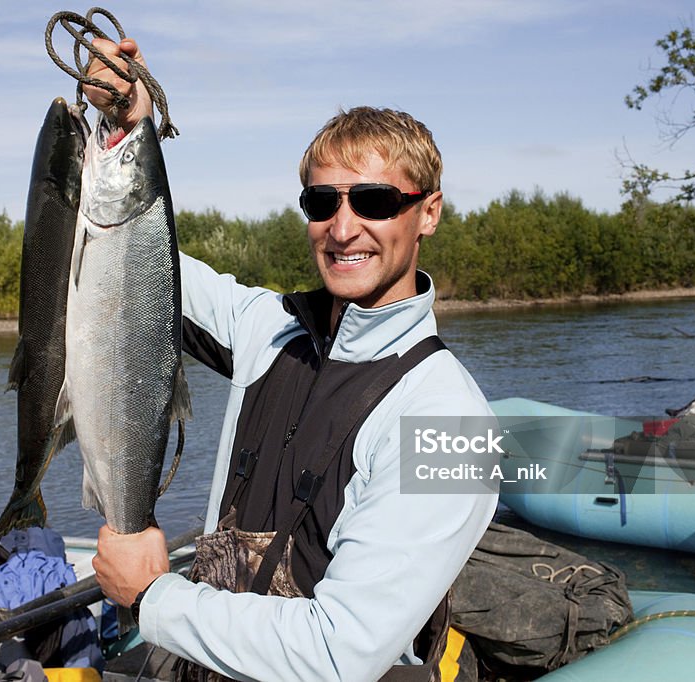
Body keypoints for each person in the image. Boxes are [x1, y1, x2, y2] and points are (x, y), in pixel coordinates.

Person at [85, 37, 498, 682]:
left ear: (428, 213)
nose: (342, 227)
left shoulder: (451, 423)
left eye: (375, 202)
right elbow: (128, 259)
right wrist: (125, 124)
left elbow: (340, 653)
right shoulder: (269, 327)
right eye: (322, 201)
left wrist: (151, 597)